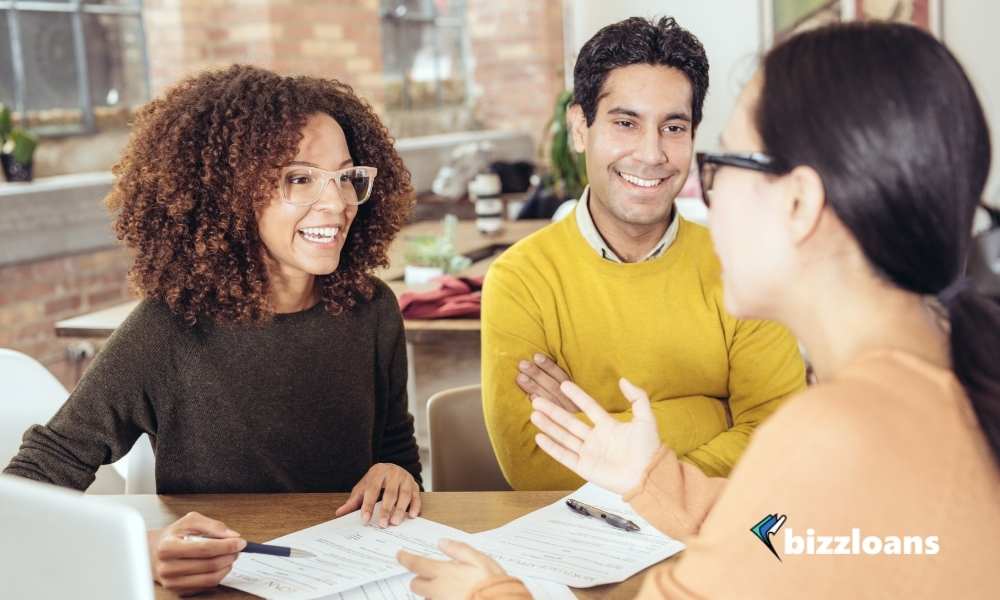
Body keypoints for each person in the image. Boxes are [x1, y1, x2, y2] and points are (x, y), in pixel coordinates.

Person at [399, 21, 1000, 598]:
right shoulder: (925, 386)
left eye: (724, 162)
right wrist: (648, 476)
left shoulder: (831, 436)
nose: (677, 173)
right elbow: (785, 537)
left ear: (799, 202)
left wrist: (490, 594)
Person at [3, 65, 422, 595]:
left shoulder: (372, 309)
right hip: (223, 586)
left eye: (345, 176)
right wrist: (141, 550)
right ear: (227, 195)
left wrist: (396, 473)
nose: (337, 203)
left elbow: (395, 448)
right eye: (299, 178)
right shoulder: (167, 329)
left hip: (356, 578)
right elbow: (30, 486)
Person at [482, 16, 806, 490]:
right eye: (626, 123)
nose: (651, 154)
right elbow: (535, 468)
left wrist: (601, 435)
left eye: (673, 127)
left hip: (718, 539)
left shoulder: (742, 263)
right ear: (579, 127)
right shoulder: (521, 279)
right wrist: (712, 414)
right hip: (580, 547)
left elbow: (777, 436)